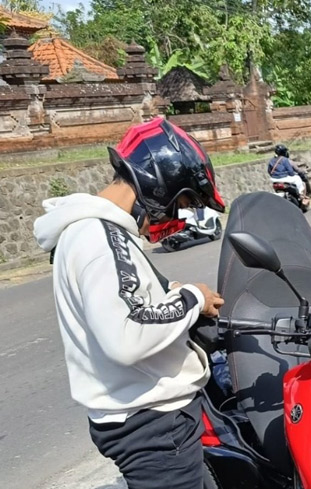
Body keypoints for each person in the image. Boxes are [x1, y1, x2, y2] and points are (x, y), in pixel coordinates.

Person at [32, 118, 227, 489]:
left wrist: (169, 289)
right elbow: (128, 335)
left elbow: (120, 301)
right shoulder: (101, 239)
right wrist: (192, 298)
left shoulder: (88, 233)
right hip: (152, 425)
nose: (175, 215)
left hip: (138, 417)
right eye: (182, 201)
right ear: (161, 184)